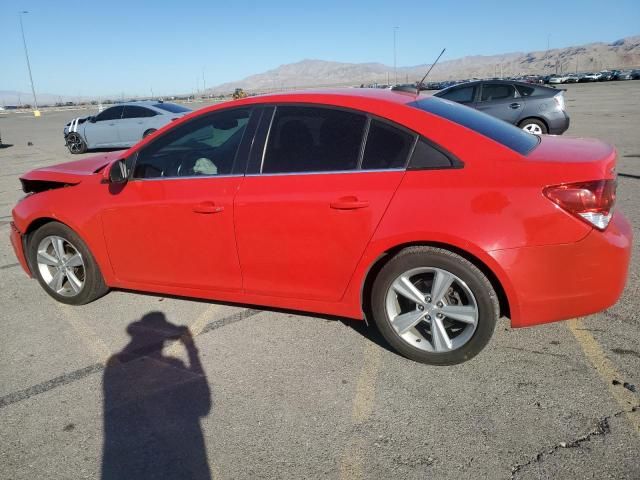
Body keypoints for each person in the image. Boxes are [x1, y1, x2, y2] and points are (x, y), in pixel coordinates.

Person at [101, 312, 211, 480]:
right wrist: (191, 349)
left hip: (130, 456)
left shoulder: (115, 363)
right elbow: (204, 405)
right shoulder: (174, 364)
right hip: (176, 450)